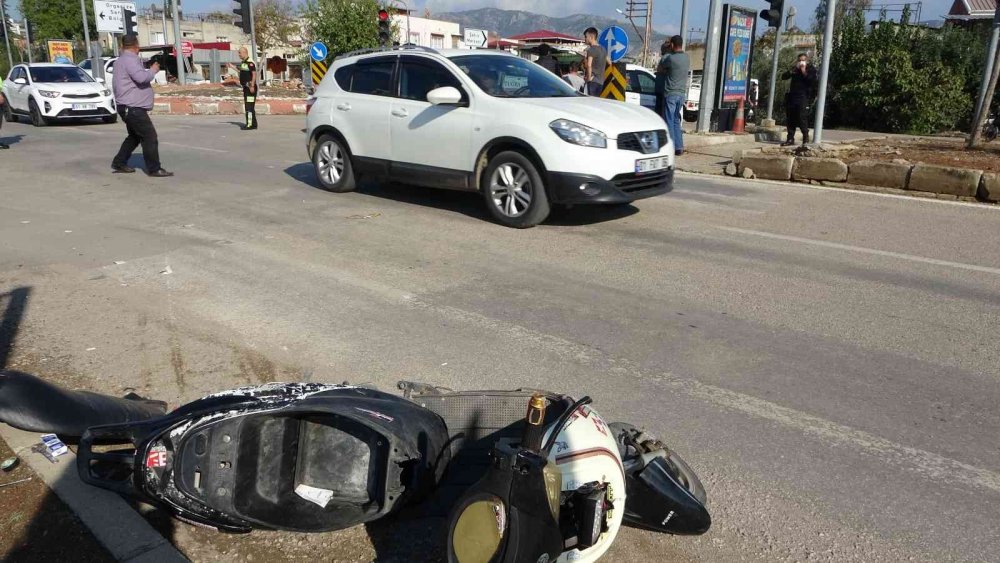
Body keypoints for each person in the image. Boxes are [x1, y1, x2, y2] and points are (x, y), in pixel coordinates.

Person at [111, 34, 172, 177]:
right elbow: (141, 78)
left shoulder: (121, 60)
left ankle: (119, 162)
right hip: (132, 107)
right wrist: (153, 70)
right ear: (136, 46)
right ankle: (154, 168)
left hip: (127, 106)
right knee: (150, 136)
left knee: (134, 136)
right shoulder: (130, 60)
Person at [657, 35, 689, 156]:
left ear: (671, 45)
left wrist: (666, 50)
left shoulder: (670, 58)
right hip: (681, 95)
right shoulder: (686, 57)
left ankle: (670, 147)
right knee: (676, 120)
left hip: (671, 94)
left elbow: (661, 66)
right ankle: (679, 147)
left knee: (669, 121)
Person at [781, 53, 818, 146]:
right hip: (792, 96)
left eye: (803, 60)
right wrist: (793, 70)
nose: (801, 62)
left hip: (803, 97)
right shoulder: (795, 69)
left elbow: (811, 81)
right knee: (791, 119)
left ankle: (805, 137)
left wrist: (804, 71)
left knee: (802, 118)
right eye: (800, 60)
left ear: (807, 61)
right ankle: (790, 139)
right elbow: (784, 76)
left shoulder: (811, 69)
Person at [229, 47, 258, 130]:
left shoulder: (250, 62)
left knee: (249, 107)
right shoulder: (244, 63)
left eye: (240, 53)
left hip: (250, 88)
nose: (239, 54)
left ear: (245, 52)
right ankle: (254, 124)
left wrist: (252, 85)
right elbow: (240, 71)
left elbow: (254, 73)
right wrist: (232, 67)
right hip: (246, 88)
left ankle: (250, 125)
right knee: (249, 107)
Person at [583, 27, 609, 97]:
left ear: (591, 37)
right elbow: (609, 62)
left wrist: (588, 79)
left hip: (593, 81)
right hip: (601, 82)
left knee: (589, 102)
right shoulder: (603, 49)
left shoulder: (591, 50)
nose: (584, 39)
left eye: (586, 37)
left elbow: (589, 65)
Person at [653, 40, 671, 119]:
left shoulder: (663, 58)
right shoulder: (667, 58)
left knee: (659, 111)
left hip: (659, 89)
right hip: (663, 90)